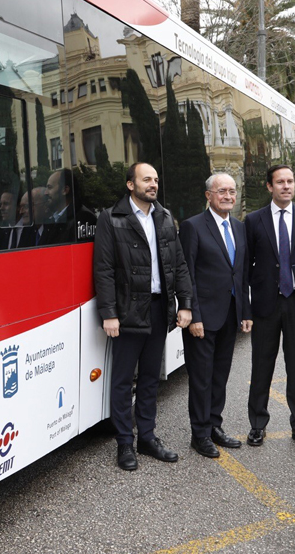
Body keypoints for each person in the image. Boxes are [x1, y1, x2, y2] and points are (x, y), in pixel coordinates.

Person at [93, 162, 192, 471]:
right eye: (146, 179)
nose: (153, 184)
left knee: (151, 378)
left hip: (159, 308)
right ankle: (125, 442)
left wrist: (185, 303)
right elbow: (104, 271)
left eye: (156, 180)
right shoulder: (112, 219)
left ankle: (147, 437)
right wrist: (109, 314)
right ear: (130, 184)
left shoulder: (164, 218)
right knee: (123, 381)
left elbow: (179, 265)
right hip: (126, 311)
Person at [244, 164, 295, 450]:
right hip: (266, 303)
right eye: (280, 182)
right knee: (261, 366)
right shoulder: (253, 221)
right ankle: (257, 424)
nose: (286, 186)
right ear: (269, 187)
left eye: (290, 181)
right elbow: (244, 266)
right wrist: (245, 309)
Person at [179, 173, 251, 458]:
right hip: (203, 318)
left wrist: (245, 311)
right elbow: (187, 276)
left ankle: (214, 426)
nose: (228, 196)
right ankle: (200, 434)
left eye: (232, 191)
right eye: (222, 191)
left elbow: (241, 273)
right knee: (201, 377)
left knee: (220, 375)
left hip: (230, 315)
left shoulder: (239, 227)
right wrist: (194, 315)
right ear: (208, 195)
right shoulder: (192, 227)